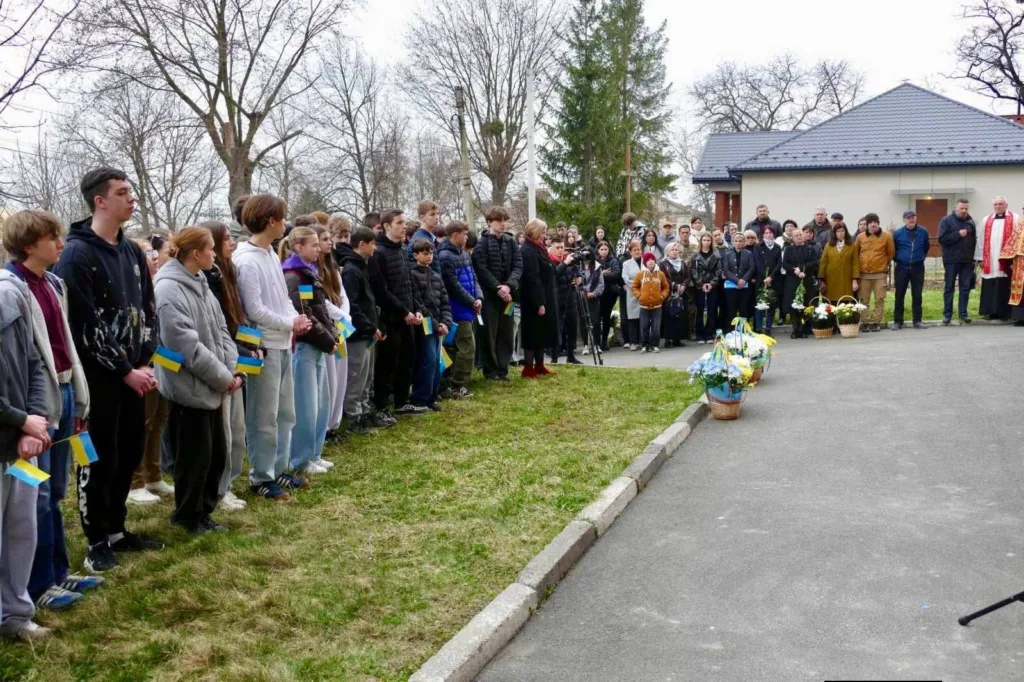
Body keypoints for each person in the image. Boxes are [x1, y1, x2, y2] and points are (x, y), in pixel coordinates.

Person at [56, 167, 163, 573]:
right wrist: (123, 369)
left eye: (131, 191)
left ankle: (118, 529)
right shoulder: (76, 254)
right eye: (122, 193)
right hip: (100, 379)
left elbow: (148, 307)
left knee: (128, 452)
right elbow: (84, 323)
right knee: (99, 457)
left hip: (135, 373)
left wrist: (145, 358)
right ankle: (96, 539)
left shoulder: (133, 251)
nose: (131, 198)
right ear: (100, 201)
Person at [2, 211, 99, 614]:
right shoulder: (13, 288)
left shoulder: (53, 282)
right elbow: (26, 360)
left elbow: (64, 345)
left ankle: (58, 571)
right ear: (28, 244)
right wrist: (28, 415)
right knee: (36, 494)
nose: (61, 243)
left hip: (60, 388)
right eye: (52, 237)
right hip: (34, 402)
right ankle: (39, 582)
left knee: (56, 490)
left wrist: (79, 393)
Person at [153, 226, 239, 534]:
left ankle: (204, 511)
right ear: (195, 253)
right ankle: (188, 515)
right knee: (194, 458)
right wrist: (223, 377)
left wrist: (231, 369)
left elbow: (222, 332)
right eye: (211, 248)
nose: (215, 253)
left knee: (215, 454)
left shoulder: (201, 282)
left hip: (213, 384)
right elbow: (186, 346)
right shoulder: (168, 290)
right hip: (189, 389)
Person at [233, 193, 313, 502]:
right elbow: (254, 309)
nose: (285, 224)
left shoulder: (268, 254)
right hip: (263, 345)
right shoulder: (246, 260)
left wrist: (296, 318)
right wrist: (288, 323)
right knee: (263, 417)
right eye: (282, 218)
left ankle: (279, 468)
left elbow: (281, 299)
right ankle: (261, 477)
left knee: (285, 412)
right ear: (270, 221)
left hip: (282, 342)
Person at [0, 242, 52, 641]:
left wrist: (33, 423)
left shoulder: (11, 293)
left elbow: (36, 364)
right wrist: (23, 421)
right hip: (12, 431)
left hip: (18, 444)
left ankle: (16, 613)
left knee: (22, 531)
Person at [280, 226, 340, 475]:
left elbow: (322, 310)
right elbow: (305, 314)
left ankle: (314, 453)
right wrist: (328, 340)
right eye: (314, 245)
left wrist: (333, 333)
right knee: (306, 406)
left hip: (318, 346)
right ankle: (301, 459)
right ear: (298, 247)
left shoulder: (310, 272)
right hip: (306, 346)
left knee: (321, 403)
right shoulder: (293, 275)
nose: (319, 249)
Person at [200, 221, 250, 510]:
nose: (232, 243)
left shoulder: (225, 273)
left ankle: (229, 481)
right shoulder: (207, 279)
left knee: (237, 429)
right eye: (227, 238)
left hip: (234, 353)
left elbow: (235, 319)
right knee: (225, 430)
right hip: (221, 362)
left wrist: (248, 346)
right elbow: (217, 328)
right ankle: (220, 488)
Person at [127, 239, 171, 506]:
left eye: (154, 252)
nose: (153, 258)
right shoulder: (136, 286)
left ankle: (154, 474)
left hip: (163, 361)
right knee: (142, 422)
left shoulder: (157, 284)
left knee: (158, 419)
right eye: (147, 254)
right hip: (143, 362)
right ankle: (135, 481)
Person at [370, 209, 426, 416]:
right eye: (399, 223)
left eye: (404, 222)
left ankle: (402, 402)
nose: (404, 226)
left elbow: (408, 284)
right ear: (386, 226)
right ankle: (382, 406)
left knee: (407, 359)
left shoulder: (403, 249)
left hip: (408, 317)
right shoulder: (378, 253)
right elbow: (380, 290)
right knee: (387, 363)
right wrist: (403, 311)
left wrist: (416, 309)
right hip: (389, 318)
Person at [338, 228, 387, 434]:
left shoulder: (362, 267)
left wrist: (376, 326)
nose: (375, 248)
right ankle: (353, 418)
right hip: (358, 334)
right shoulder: (351, 270)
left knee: (367, 376)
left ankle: (365, 411)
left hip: (368, 332)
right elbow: (353, 305)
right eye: (373, 244)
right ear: (362, 244)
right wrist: (369, 327)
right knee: (356, 376)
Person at [472, 207, 522, 381]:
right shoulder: (482, 243)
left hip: (508, 297)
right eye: (499, 220)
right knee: (489, 334)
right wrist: (498, 288)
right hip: (490, 298)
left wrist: (508, 286)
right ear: (489, 222)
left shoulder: (511, 242)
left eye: (504, 220)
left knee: (506, 334)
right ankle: (490, 371)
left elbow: (518, 266)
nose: (503, 224)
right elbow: (482, 269)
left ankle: (503, 369)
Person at [311, 224, 348, 444]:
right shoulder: (310, 269)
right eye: (323, 239)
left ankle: (335, 423)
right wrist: (337, 316)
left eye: (327, 239)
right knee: (329, 379)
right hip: (325, 326)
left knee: (341, 376)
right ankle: (323, 428)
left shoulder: (332, 266)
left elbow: (342, 295)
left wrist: (345, 316)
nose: (328, 243)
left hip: (341, 325)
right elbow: (319, 302)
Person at [438, 220, 482, 399]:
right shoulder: (445, 256)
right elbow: (453, 286)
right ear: (455, 234)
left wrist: (479, 297)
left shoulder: (464, 254)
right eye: (464, 233)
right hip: (457, 309)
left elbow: (474, 278)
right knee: (466, 347)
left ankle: (455, 383)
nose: (466, 237)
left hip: (469, 308)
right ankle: (457, 385)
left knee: (464, 347)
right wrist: (472, 301)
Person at [409, 239, 452, 409]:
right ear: (415, 255)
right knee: (428, 360)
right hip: (425, 324)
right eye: (425, 253)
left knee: (436, 361)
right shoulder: (412, 274)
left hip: (439, 325)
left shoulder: (435, 275)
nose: (429, 256)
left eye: (431, 253)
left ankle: (432, 397)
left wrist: (445, 322)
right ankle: (420, 397)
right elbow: (418, 303)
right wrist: (436, 324)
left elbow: (444, 302)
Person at [518, 219, 557, 378]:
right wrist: (539, 302)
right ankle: (528, 367)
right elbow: (533, 278)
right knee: (532, 332)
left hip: (545, 294)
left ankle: (540, 365)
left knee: (541, 332)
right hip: (533, 298)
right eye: (542, 232)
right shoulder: (527, 250)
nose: (544, 235)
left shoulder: (539, 248)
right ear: (533, 231)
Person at [937, 199, 977, 325]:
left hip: (967, 261)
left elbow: (974, 241)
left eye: (966, 208)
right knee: (949, 288)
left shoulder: (970, 221)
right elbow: (942, 239)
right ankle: (947, 314)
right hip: (951, 260)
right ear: (956, 208)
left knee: (965, 288)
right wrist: (958, 234)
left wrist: (974, 258)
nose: (964, 211)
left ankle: (963, 313)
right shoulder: (946, 221)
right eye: (962, 208)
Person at [976, 196, 1016, 320]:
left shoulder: (1015, 218)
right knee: (990, 284)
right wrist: (980, 258)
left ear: (1006, 205)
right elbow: (981, 239)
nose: (998, 206)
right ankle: (990, 312)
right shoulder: (986, 220)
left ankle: (1005, 313)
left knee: (1005, 285)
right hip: (990, 259)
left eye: (1001, 204)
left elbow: (1017, 239)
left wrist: (1014, 260)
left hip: (1006, 259)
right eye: (996, 204)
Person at [891, 209, 930, 330]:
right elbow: (893, 250)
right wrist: (900, 259)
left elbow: (926, 247)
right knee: (899, 294)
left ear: (916, 218)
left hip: (918, 267)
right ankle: (898, 321)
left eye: (913, 217)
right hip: (902, 268)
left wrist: (920, 258)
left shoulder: (923, 232)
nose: (911, 219)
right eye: (908, 218)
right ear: (904, 220)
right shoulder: (897, 233)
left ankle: (917, 320)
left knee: (917, 295)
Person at [855, 213, 895, 333]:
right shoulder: (860, 237)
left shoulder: (886, 236)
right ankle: (865, 322)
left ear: (878, 223)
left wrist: (881, 264)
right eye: (870, 222)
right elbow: (856, 254)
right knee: (864, 299)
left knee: (879, 299)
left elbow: (890, 253)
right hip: (864, 275)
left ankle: (877, 322)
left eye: (875, 222)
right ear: (867, 224)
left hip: (880, 274)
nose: (873, 224)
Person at [782, 227, 820, 339]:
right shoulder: (788, 249)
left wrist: (802, 268)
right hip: (792, 280)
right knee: (794, 304)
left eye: (800, 234)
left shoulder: (810, 248)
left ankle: (803, 329)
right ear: (792, 238)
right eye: (796, 235)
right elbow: (785, 264)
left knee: (805, 304)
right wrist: (795, 270)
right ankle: (795, 329)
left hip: (806, 279)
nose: (799, 237)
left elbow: (814, 262)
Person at [549, 237, 580, 364]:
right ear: (551, 248)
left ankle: (571, 356)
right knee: (557, 329)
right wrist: (565, 263)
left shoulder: (568, 259)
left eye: (562, 247)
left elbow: (578, 272)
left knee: (572, 327)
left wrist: (579, 279)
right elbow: (554, 275)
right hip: (557, 299)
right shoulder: (549, 260)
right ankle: (554, 357)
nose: (561, 250)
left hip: (570, 297)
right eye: (558, 247)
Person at [632, 252, 669, 353]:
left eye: (652, 259)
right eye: (648, 260)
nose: (651, 261)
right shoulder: (640, 274)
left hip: (657, 306)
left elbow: (666, 287)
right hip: (644, 306)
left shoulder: (660, 274)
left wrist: (662, 296)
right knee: (644, 326)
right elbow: (634, 287)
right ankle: (644, 345)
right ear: (645, 262)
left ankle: (654, 345)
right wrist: (639, 296)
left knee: (656, 327)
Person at [817, 221, 860, 305]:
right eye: (838, 231)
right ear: (834, 233)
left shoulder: (852, 245)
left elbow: (855, 263)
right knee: (831, 302)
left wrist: (854, 280)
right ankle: (832, 318)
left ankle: (844, 317)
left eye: (842, 231)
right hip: (831, 279)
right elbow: (823, 263)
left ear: (846, 232)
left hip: (846, 279)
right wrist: (821, 279)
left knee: (846, 302)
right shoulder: (828, 245)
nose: (840, 233)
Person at [690, 233, 722, 344]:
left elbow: (718, 271)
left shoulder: (716, 255)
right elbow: (693, 271)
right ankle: (700, 334)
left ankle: (710, 333)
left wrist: (711, 284)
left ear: (711, 242)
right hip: (700, 286)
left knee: (711, 310)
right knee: (700, 310)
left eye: (708, 240)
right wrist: (701, 284)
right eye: (704, 240)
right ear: (701, 242)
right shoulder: (695, 256)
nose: (706, 242)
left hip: (712, 286)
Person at [721, 232, 754, 331]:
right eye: (736, 241)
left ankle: (743, 329)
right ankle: (730, 330)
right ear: (733, 242)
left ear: (744, 242)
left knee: (744, 309)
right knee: (731, 309)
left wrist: (743, 279)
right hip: (731, 287)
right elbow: (726, 270)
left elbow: (752, 268)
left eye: (740, 241)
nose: (738, 243)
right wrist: (737, 280)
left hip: (745, 287)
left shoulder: (749, 254)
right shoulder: (727, 254)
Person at [753, 225, 782, 336]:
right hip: (761, 280)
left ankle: (768, 328)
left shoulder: (777, 247)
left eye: (770, 233)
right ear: (763, 234)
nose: (769, 235)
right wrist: (765, 277)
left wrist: (771, 276)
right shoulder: (758, 246)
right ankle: (759, 328)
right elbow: (758, 263)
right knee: (760, 304)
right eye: (766, 233)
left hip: (773, 280)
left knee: (771, 304)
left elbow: (779, 263)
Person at [659, 242, 688, 347]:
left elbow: (687, 276)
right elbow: (663, 278)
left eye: (676, 250)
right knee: (669, 315)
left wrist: (684, 285)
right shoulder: (663, 264)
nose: (675, 252)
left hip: (681, 293)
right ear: (667, 251)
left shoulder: (682, 263)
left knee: (680, 315)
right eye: (672, 250)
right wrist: (675, 286)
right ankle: (668, 339)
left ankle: (677, 339)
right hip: (669, 293)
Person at [578, 247, 604, 355]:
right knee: (583, 321)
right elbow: (575, 282)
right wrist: (581, 292)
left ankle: (597, 345)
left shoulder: (597, 267)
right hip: (581, 298)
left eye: (588, 255)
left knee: (596, 321)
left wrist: (594, 293)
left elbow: (601, 283)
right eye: (584, 255)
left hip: (593, 298)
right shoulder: (578, 267)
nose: (586, 257)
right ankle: (585, 345)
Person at [595, 241, 620, 351]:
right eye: (601, 249)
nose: (604, 252)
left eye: (606, 249)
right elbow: (591, 275)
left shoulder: (613, 260)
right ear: (598, 250)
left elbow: (615, 275)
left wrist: (602, 275)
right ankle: (596, 341)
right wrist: (602, 273)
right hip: (597, 293)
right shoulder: (595, 261)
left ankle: (604, 341)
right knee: (596, 318)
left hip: (609, 293)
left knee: (606, 317)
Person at [1001, 210, 1024, 326]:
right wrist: (1009, 261)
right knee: (1020, 291)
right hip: (1019, 264)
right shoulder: (1020, 226)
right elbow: (1012, 243)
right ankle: (1020, 318)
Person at [620, 240, 643, 350]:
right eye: (635, 250)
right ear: (630, 252)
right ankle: (633, 342)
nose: (637, 252)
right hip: (632, 292)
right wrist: (636, 284)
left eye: (639, 249)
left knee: (643, 317)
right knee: (633, 318)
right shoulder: (626, 263)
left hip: (645, 292)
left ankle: (643, 341)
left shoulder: (646, 261)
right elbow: (625, 278)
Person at [407, 200, 442, 272]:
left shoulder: (428, 236)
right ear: (422, 217)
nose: (437, 217)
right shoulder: (420, 239)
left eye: (437, 213)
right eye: (432, 214)